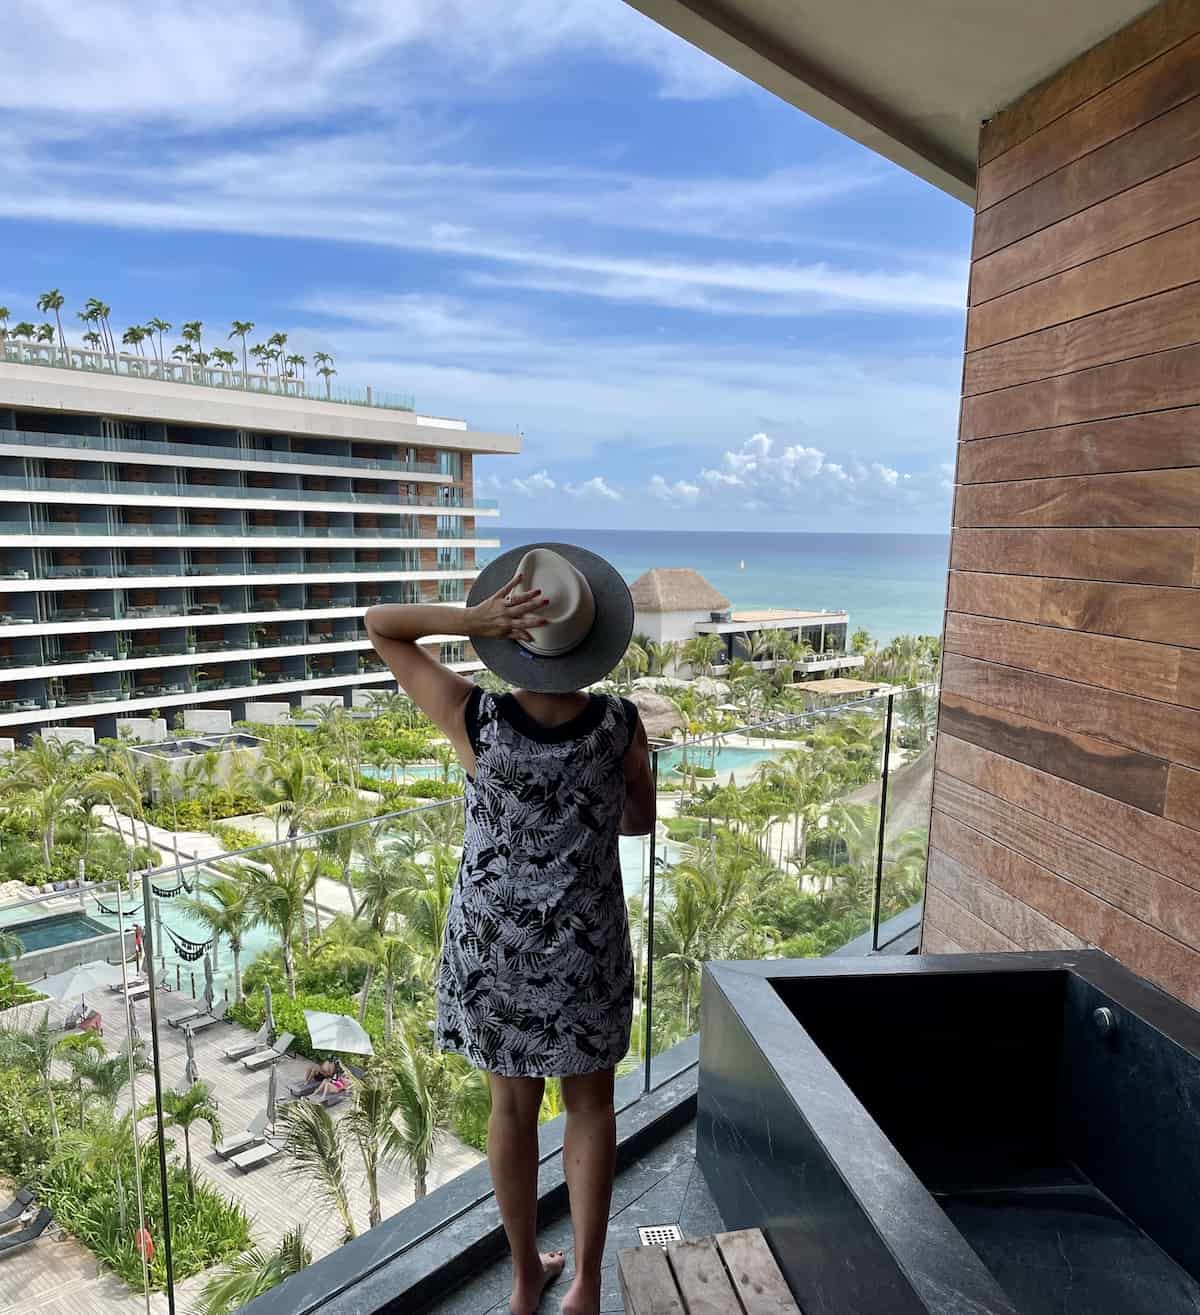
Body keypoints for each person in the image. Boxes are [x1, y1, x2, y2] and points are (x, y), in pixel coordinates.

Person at [366, 544, 654, 1315]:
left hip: (495, 950)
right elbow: (640, 820)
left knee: (511, 1108)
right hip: (586, 949)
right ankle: (587, 1285)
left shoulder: (477, 718)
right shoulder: (622, 725)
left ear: (510, 635)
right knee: (590, 1105)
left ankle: (527, 1278)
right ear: (590, 642)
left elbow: (383, 627)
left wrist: (468, 619)